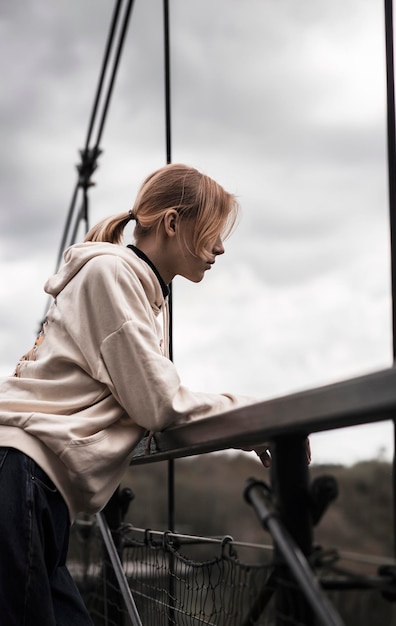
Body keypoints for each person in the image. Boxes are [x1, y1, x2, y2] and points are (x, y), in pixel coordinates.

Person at [0, 163, 270, 625]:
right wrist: (248, 418)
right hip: (22, 481)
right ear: (171, 223)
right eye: (212, 231)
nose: (221, 248)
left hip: (36, 489)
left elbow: (136, 396)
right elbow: (158, 403)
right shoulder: (112, 276)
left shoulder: (133, 288)